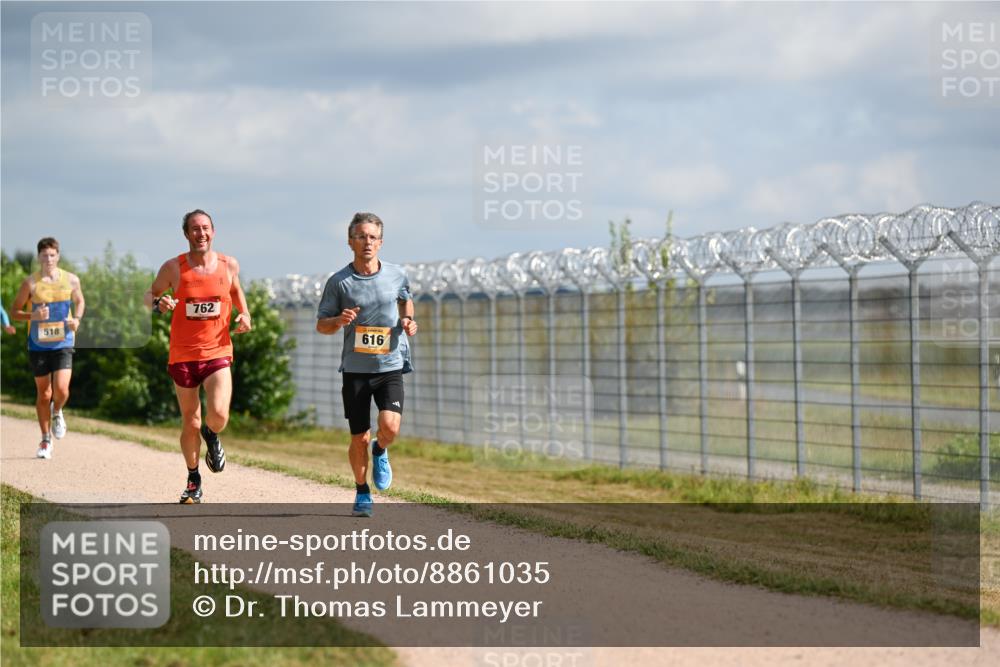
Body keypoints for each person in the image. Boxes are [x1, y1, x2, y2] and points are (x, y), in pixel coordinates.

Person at [146, 209, 252, 503]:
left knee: (219, 414)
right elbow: (149, 295)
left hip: (218, 350)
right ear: (186, 234)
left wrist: (245, 315)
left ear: (213, 232)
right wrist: (159, 303)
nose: (200, 233)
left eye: (205, 228)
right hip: (182, 355)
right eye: (194, 229)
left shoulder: (229, 265)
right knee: (189, 422)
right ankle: (193, 480)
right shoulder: (173, 267)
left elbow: (236, 291)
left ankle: (212, 433)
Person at [317, 212, 417, 517]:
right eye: (361, 236)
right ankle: (362, 492)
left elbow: (405, 299)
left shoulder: (397, 274)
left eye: (372, 237)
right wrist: (338, 320)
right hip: (356, 370)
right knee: (358, 436)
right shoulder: (339, 282)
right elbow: (321, 325)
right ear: (350, 242)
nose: (367, 242)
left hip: (390, 365)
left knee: (390, 427)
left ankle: (381, 449)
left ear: (381, 242)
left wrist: (409, 320)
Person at [10, 238, 85, 459]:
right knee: (44, 394)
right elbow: (14, 311)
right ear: (39, 257)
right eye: (45, 255)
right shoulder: (30, 284)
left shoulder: (71, 280)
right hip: (38, 344)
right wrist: (32, 315)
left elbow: (80, 301)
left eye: (52, 255)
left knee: (61, 390)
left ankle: (58, 411)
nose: (49, 259)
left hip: (63, 342)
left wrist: (77, 320)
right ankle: (45, 440)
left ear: (58, 256)